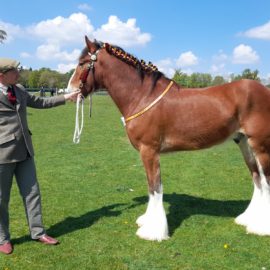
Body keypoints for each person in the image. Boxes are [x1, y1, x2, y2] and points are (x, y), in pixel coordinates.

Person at [0, 58, 80, 255]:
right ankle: (3, 238)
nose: (18, 75)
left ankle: (38, 232)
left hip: (25, 151)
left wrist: (66, 97)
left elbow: (41, 102)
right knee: (1, 199)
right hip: (2, 154)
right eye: (14, 72)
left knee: (32, 193)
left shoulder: (19, 89)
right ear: (1, 75)